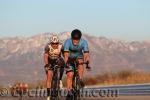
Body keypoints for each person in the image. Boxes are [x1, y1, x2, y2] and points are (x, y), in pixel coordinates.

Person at [63, 29, 91, 95]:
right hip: (69, 58)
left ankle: (80, 80)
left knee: (81, 63)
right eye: (74, 39)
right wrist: (66, 63)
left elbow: (86, 54)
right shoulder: (68, 42)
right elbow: (66, 54)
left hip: (79, 57)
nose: (75, 41)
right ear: (71, 38)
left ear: (80, 39)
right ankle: (69, 90)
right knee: (70, 75)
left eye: (77, 39)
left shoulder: (84, 42)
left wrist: (87, 61)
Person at [43, 35, 65, 100]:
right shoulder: (48, 46)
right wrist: (46, 64)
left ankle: (60, 79)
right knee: (49, 76)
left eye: (56, 43)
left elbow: (64, 54)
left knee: (63, 63)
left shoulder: (61, 46)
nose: (55, 45)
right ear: (51, 43)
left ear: (58, 43)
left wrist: (67, 61)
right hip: (50, 62)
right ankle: (48, 95)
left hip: (58, 60)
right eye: (53, 43)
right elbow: (45, 56)